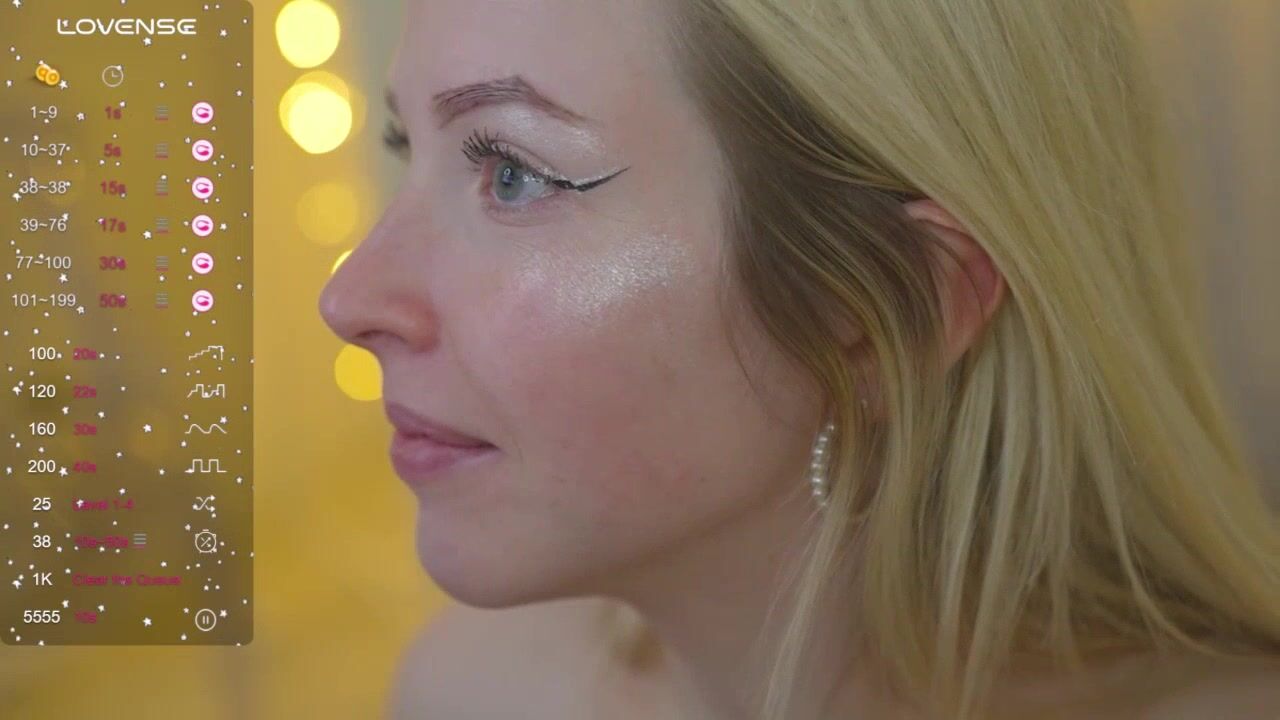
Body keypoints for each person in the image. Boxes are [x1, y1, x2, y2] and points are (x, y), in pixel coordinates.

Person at [318, 0, 1280, 717]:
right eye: (407, 144)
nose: (349, 299)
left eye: (513, 174)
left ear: (884, 309)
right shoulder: (472, 691)